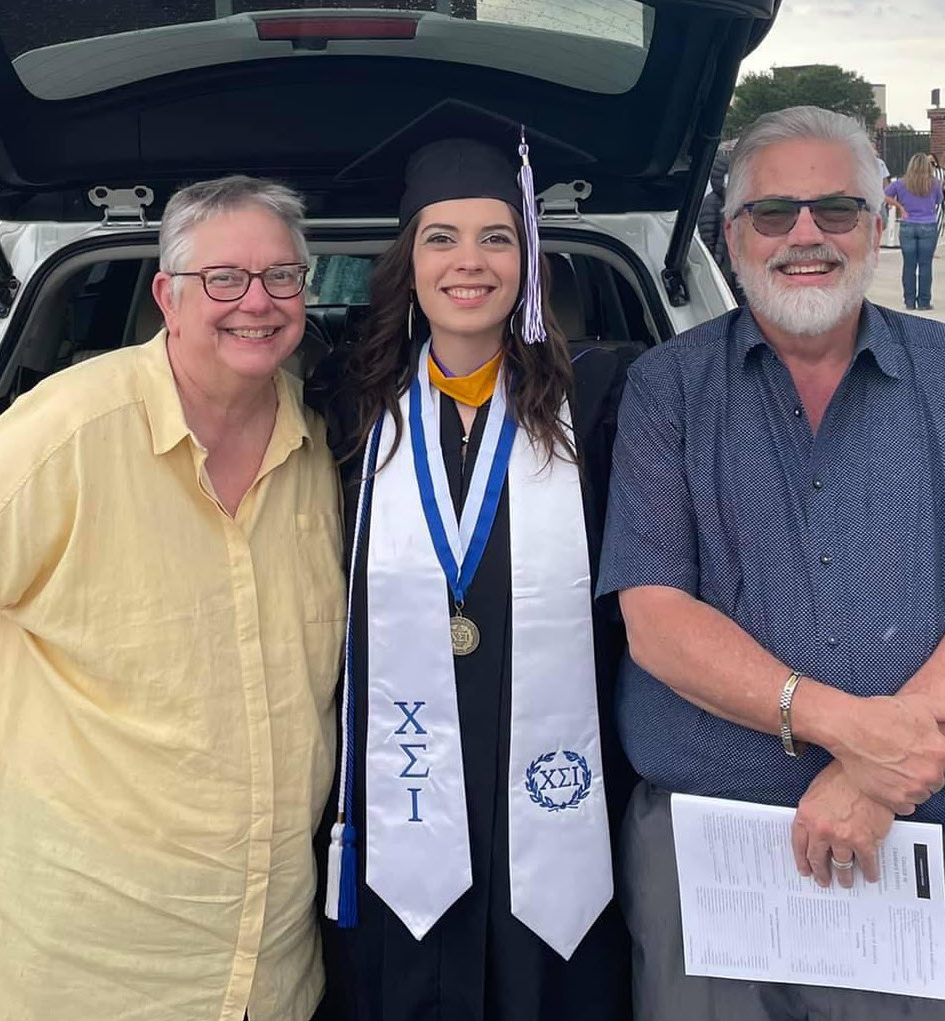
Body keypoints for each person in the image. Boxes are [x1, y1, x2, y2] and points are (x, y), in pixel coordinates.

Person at [600, 105, 945, 1021]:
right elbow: (655, 614)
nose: (803, 235)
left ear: (881, 222)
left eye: (835, 210)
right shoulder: (666, 389)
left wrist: (871, 775)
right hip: (712, 855)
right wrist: (850, 733)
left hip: (920, 835)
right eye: (772, 213)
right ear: (729, 236)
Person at [0, 175, 346, 1021]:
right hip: (65, 949)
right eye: (224, 278)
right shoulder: (68, 424)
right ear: (167, 294)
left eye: (283, 276)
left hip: (256, 952)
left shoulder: (321, 447)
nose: (258, 301)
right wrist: (29, 726)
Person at [305, 122, 632, 1021]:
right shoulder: (345, 407)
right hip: (396, 773)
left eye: (497, 237)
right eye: (440, 238)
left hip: (553, 773)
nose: (469, 261)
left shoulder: (602, 402)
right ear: (406, 261)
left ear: (529, 260)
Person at [885, 152, 944, 309]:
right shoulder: (935, 183)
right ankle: (924, 301)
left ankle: (909, 301)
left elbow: (885, 195)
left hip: (908, 224)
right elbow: (939, 201)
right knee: (925, 264)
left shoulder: (901, 183)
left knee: (909, 265)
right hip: (928, 224)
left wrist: (900, 207)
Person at [697, 152, 744, 302]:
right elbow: (708, 234)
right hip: (723, 259)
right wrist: (714, 259)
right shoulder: (713, 202)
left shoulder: (739, 201)